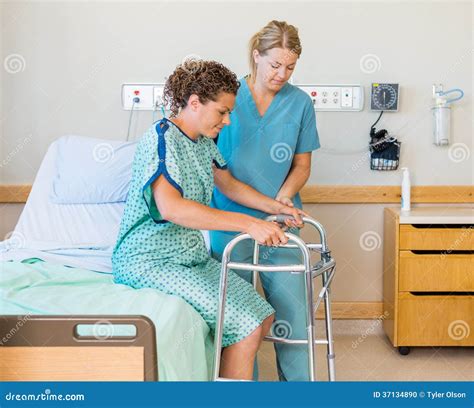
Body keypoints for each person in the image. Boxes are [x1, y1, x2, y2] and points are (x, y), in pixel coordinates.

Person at [112, 59, 305, 380]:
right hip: (150, 261)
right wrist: (249, 224)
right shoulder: (161, 139)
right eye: (222, 112)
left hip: (191, 259)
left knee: (262, 316)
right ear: (195, 103)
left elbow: (228, 184)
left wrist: (278, 207)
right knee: (244, 326)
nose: (228, 121)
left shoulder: (202, 143)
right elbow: (171, 207)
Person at [210, 21, 321, 381]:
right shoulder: (227, 100)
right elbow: (220, 175)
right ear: (256, 56)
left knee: (294, 314)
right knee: (240, 321)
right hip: (231, 222)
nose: (282, 74)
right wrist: (271, 206)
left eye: (290, 67)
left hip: (281, 223)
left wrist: (284, 199)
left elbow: (302, 164)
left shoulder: (300, 103)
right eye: (275, 65)